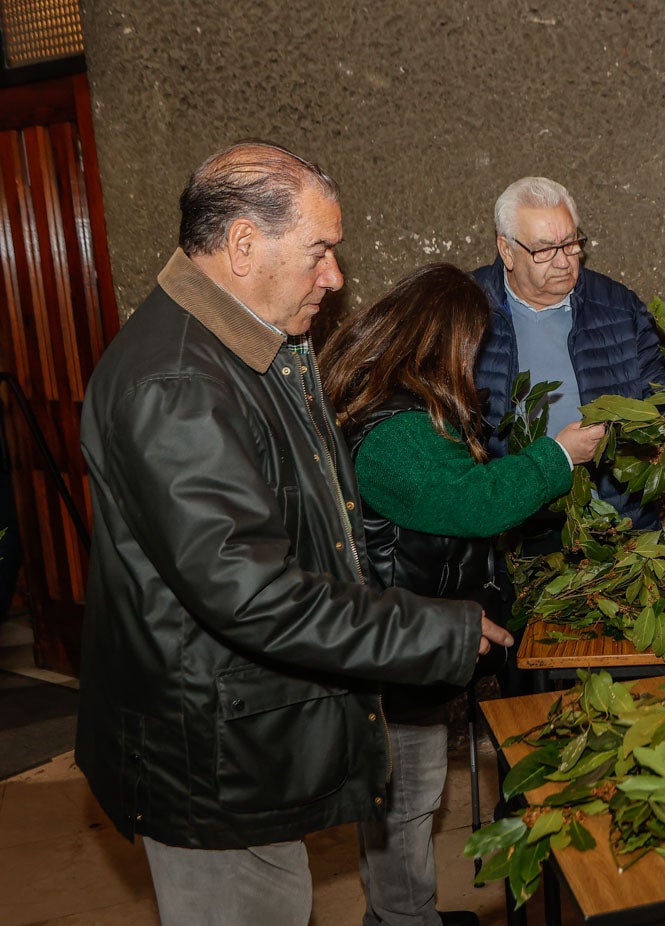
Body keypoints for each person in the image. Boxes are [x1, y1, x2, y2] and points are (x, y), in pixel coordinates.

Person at [76, 141, 512, 926]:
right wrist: (427, 630)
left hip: (244, 739)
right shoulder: (179, 384)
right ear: (244, 244)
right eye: (320, 250)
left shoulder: (249, 348)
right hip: (210, 760)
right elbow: (252, 593)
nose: (336, 276)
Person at [320, 263, 606, 926]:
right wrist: (558, 456)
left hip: (404, 641)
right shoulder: (394, 432)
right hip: (395, 655)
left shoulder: (398, 411)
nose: (480, 358)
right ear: (441, 341)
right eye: (475, 343)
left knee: (408, 804)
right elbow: (473, 503)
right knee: (405, 805)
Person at [471, 176, 665, 544]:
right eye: (545, 250)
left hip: (619, 526)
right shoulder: (464, 311)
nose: (564, 261)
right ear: (506, 250)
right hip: (514, 535)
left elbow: (664, 391)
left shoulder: (617, 306)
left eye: (571, 244)